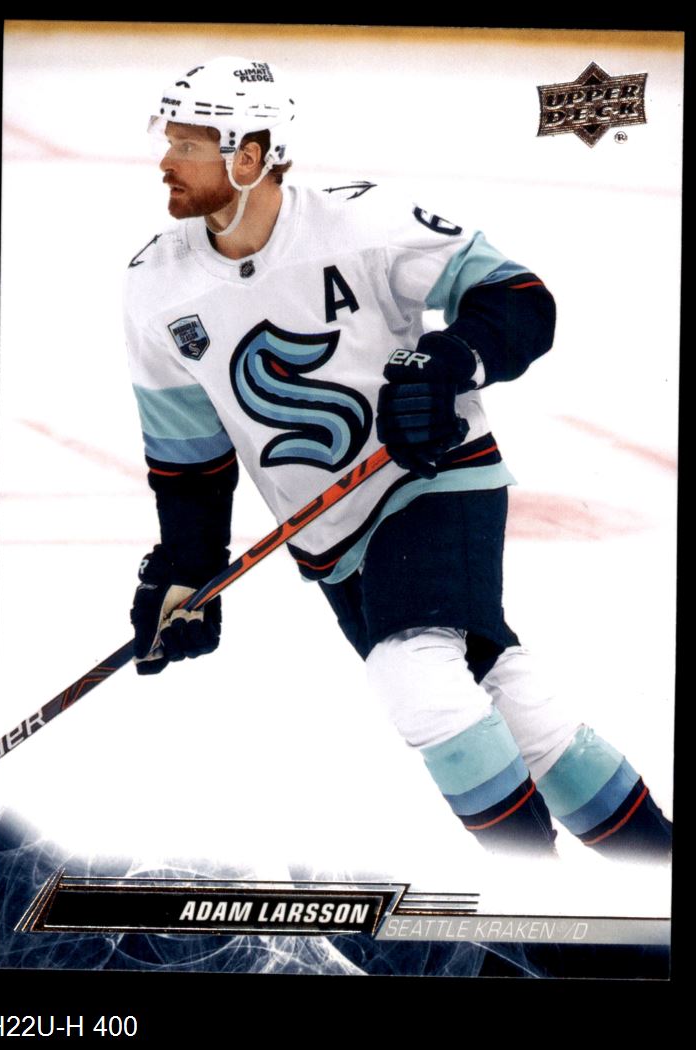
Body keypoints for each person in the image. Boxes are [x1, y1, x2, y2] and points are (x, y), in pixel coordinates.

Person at [124, 56, 672, 860]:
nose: (165, 161)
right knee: (508, 700)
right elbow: (190, 460)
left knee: (413, 673)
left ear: (249, 156)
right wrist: (188, 570)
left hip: (433, 477)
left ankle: (538, 897)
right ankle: (656, 869)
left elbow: (519, 299)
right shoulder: (154, 288)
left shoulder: (363, 225)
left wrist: (449, 363)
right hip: (329, 539)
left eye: (186, 144)